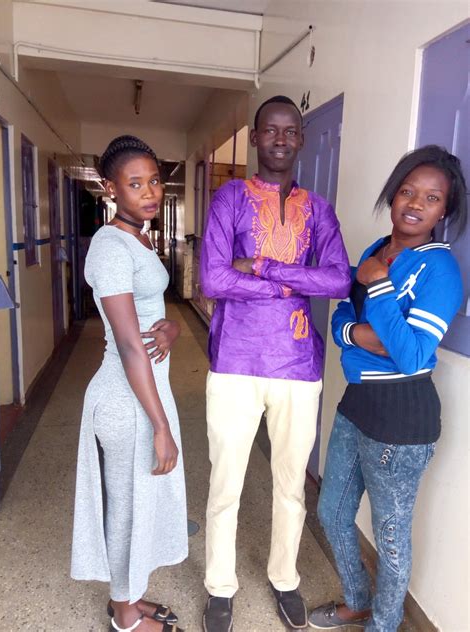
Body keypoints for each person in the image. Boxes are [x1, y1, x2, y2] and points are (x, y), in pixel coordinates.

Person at [200, 95, 351, 631]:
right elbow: (213, 279)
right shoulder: (230, 198)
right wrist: (293, 286)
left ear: (301, 139)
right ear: (255, 136)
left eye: (290, 131)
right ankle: (220, 586)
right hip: (235, 363)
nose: (280, 139)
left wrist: (264, 268)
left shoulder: (320, 210)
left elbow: (339, 279)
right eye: (270, 130)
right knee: (226, 482)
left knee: (290, 485)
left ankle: (285, 577)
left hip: (297, 366)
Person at [308, 145, 467, 631]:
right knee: (332, 512)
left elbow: (413, 355)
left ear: (445, 211)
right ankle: (359, 601)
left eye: (432, 198)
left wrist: (377, 286)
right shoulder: (375, 250)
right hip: (356, 403)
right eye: (407, 191)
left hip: (402, 420)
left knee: (391, 537)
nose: (415, 204)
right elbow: (343, 319)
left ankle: (384, 624)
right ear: (393, 194)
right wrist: (360, 334)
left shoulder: (441, 270)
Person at [71, 135, 187, 632]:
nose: (150, 192)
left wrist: (173, 327)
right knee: (125, 506)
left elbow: (147, 315)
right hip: (126, 400)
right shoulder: (110, 246)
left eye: (154, 180)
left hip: (145, 392)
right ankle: (124, 614)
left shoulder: (138, 238)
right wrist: (160, 426)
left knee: (140, 502)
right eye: (135, 183)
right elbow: (127, 345)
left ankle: (131, 596)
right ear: (110, 188)